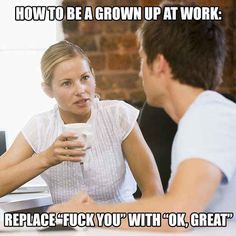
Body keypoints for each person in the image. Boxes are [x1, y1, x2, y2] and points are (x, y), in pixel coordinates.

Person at [48, 2, 236, 232]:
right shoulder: (203, 117)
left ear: (158, 65)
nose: (140, 72)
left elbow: (177, 214)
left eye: (142, 60)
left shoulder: (209, 115)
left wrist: (88, 213)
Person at [0, 40, 163, 204]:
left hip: (120, 225)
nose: (80, 90)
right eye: (66, 83)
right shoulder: (40, 127)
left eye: (85, 77)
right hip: (68, 228)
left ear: (93, 76)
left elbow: (154, 193)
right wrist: (46, 158)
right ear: (48, 90)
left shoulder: (118, 115)